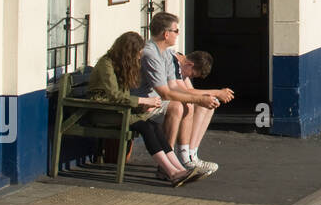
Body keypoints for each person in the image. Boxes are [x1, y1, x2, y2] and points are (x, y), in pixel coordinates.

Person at [87, 32, 199, 186]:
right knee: (145, 127)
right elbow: (114, 96)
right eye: (137, 53)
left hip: (120, 110)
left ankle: (179, 168)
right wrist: (143, 100)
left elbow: (124, 95)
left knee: (154, 126)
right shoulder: (106, 64)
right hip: (102, 111)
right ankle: (171, 172)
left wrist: (142, 105)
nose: (139, 56)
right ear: (128, 51)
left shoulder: (122, 64)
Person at [138, 12, 234, 176]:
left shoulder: (167, 54)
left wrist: (201, 98)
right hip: (142, 102)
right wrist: (198, 99)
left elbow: (174, 88)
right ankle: (169, 165)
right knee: (177, 106)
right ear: (166, 34)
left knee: (186, 103)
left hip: (155, 101)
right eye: (176, 30)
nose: (178, 34)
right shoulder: (151, 54)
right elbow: (166, 93)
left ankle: (186, 158)